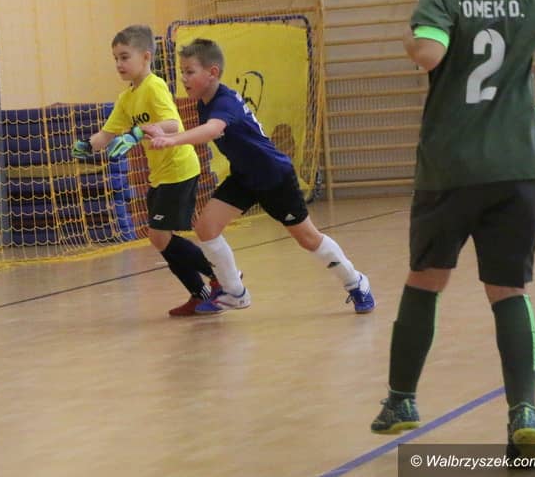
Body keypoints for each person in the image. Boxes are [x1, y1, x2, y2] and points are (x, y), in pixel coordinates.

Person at [368, 0, 535, 460]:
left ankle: (402, 400)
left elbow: (429, 53)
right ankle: (523, 411)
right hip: (518, 171)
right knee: (509, 292)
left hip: (451, 172)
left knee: (426, 280)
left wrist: (411, 41)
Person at [149, 38, 374, 315]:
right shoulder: (205, 102)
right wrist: (163, 132)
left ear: (213, 73)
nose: (183, 78)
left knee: (308, 239)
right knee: (206, 228)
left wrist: (173, 141)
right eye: (181, 71)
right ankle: (235, 293)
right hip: (245, 176)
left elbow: (212, 130)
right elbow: (205, 129)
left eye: (190, 72)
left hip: (274, 177)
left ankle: (356, 282)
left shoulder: (224, 102)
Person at [71, 24, 220, 317]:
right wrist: (87, 145)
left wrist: (138, 132)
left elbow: (173, 125)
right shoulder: (127, 98)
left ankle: (222, 276)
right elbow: (107, 134)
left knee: (159, 235)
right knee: (159, 238)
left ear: (146, 56)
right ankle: (200, 294)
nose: (119, 64)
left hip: (179, 168)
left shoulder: (154, 86)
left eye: (125, 57)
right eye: (115, 58)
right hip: (160, 175)